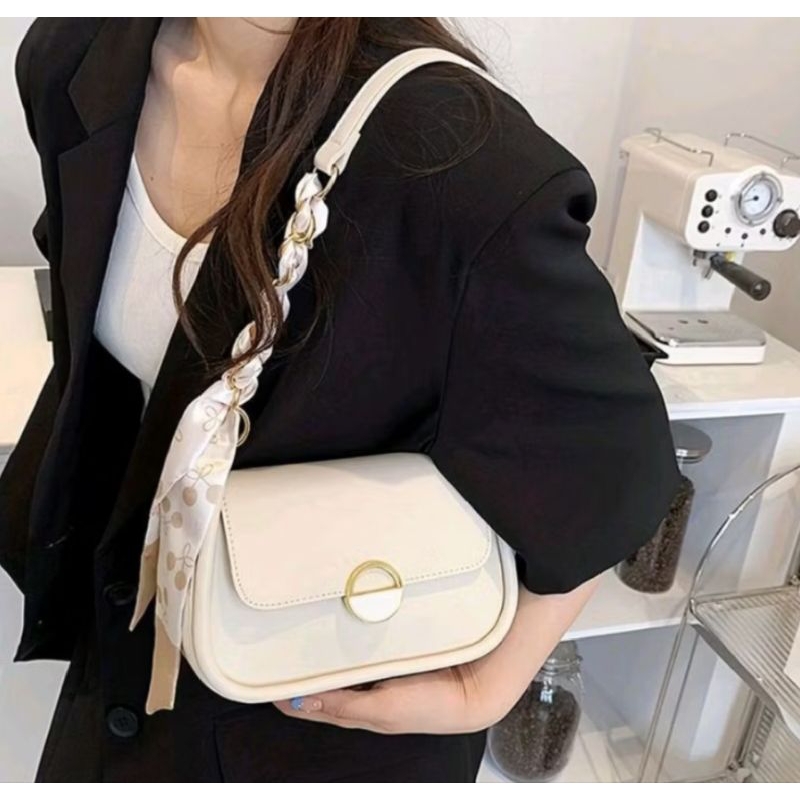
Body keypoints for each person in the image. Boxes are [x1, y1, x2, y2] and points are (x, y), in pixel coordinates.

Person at [0, 17, 681, 782]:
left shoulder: (456, 159)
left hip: (314, 718)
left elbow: (618, 464)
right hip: (123, 654)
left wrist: (486, 688)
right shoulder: (80, 57)